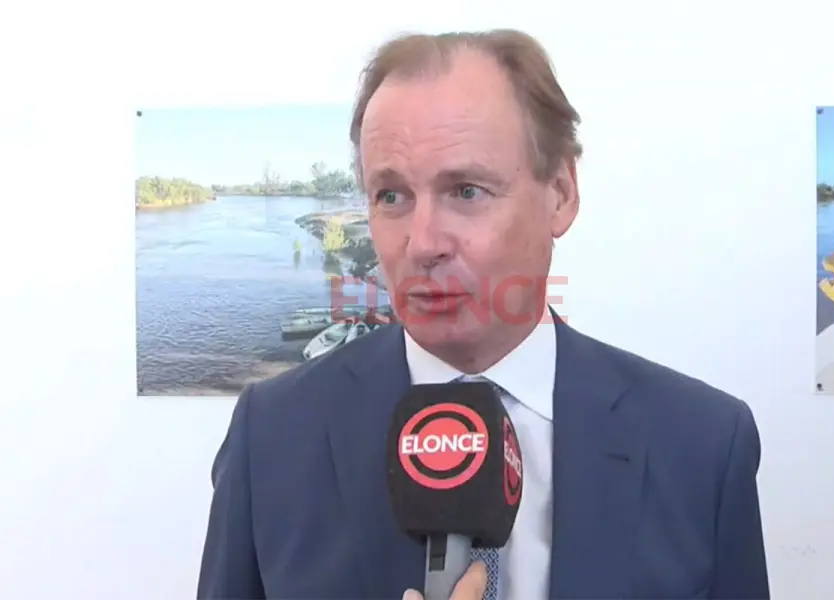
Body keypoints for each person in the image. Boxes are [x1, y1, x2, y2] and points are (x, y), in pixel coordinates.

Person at [196, 29, 769, 600]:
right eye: (391, 196)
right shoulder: (271, 436)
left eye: (466, 191)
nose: (423, 243)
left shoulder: (703, 445)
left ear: (561, 193)